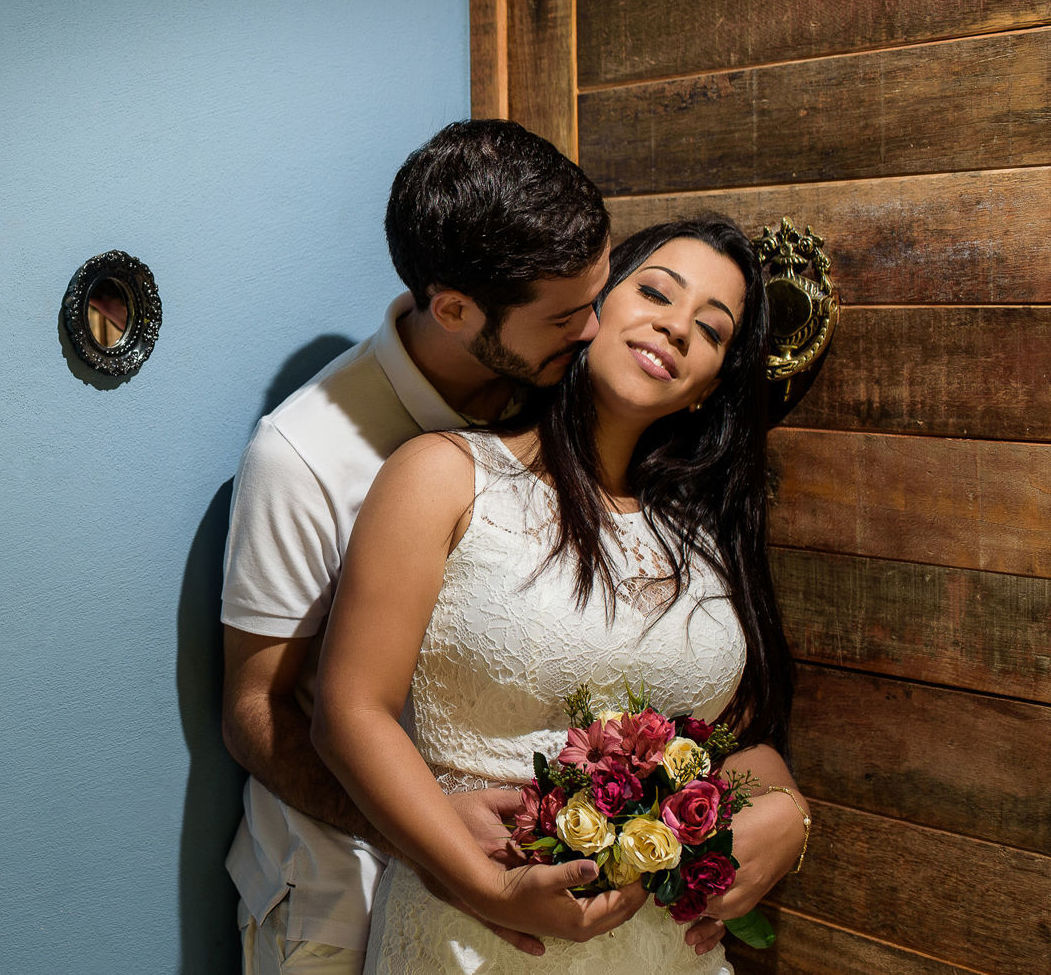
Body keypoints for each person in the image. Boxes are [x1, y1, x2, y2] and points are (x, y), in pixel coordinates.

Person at [313, 217, 808, 975]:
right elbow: (349, 712)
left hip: (663, 951)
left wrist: (789, 813)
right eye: (655, 293)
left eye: (711, 329)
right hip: (477, 933)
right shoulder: (445, 476)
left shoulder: (707, 537)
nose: (676, 327)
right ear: (591, 308)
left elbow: (734, 740)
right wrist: (487, 888)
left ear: (710, 387)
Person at [221, 120, 629, 975]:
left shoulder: (553, 392)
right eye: (565, 315)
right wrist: (428, 835)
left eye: (597, 297)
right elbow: (254, 714)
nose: (595, 329)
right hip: (339, 895)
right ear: (453, 310)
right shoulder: (300, 457)